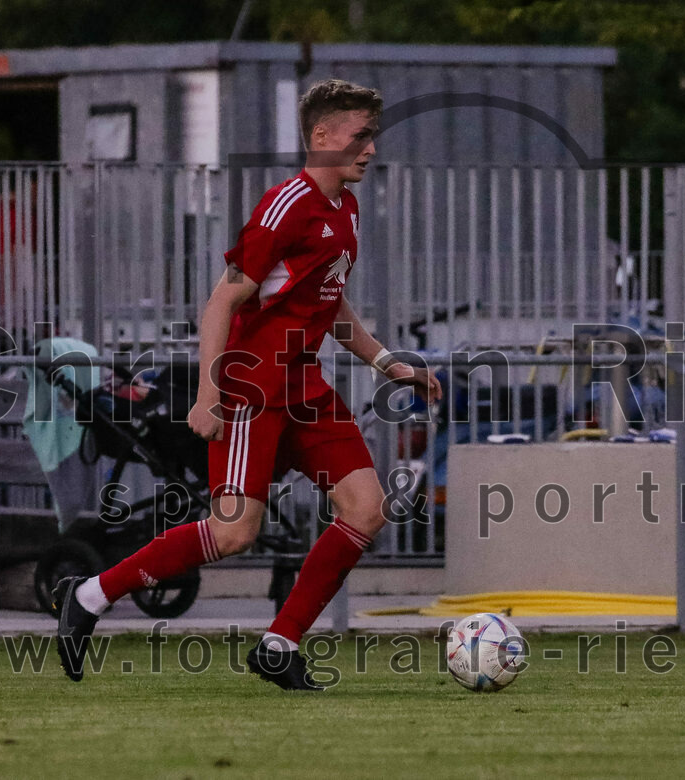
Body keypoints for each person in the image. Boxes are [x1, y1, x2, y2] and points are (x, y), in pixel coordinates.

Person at [53, 79, 441, 690]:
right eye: (360, 135)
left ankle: (279, 645)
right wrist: (210, 394)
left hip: (305, 388)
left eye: (373, 136)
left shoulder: (347, 207)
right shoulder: (287, 204)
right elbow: (221, 300)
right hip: (252, 391)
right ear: (322, 136)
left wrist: (388, 362)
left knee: (365, 511)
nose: (370, 148)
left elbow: (329, 304)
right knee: (234, 531)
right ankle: (94, 593)